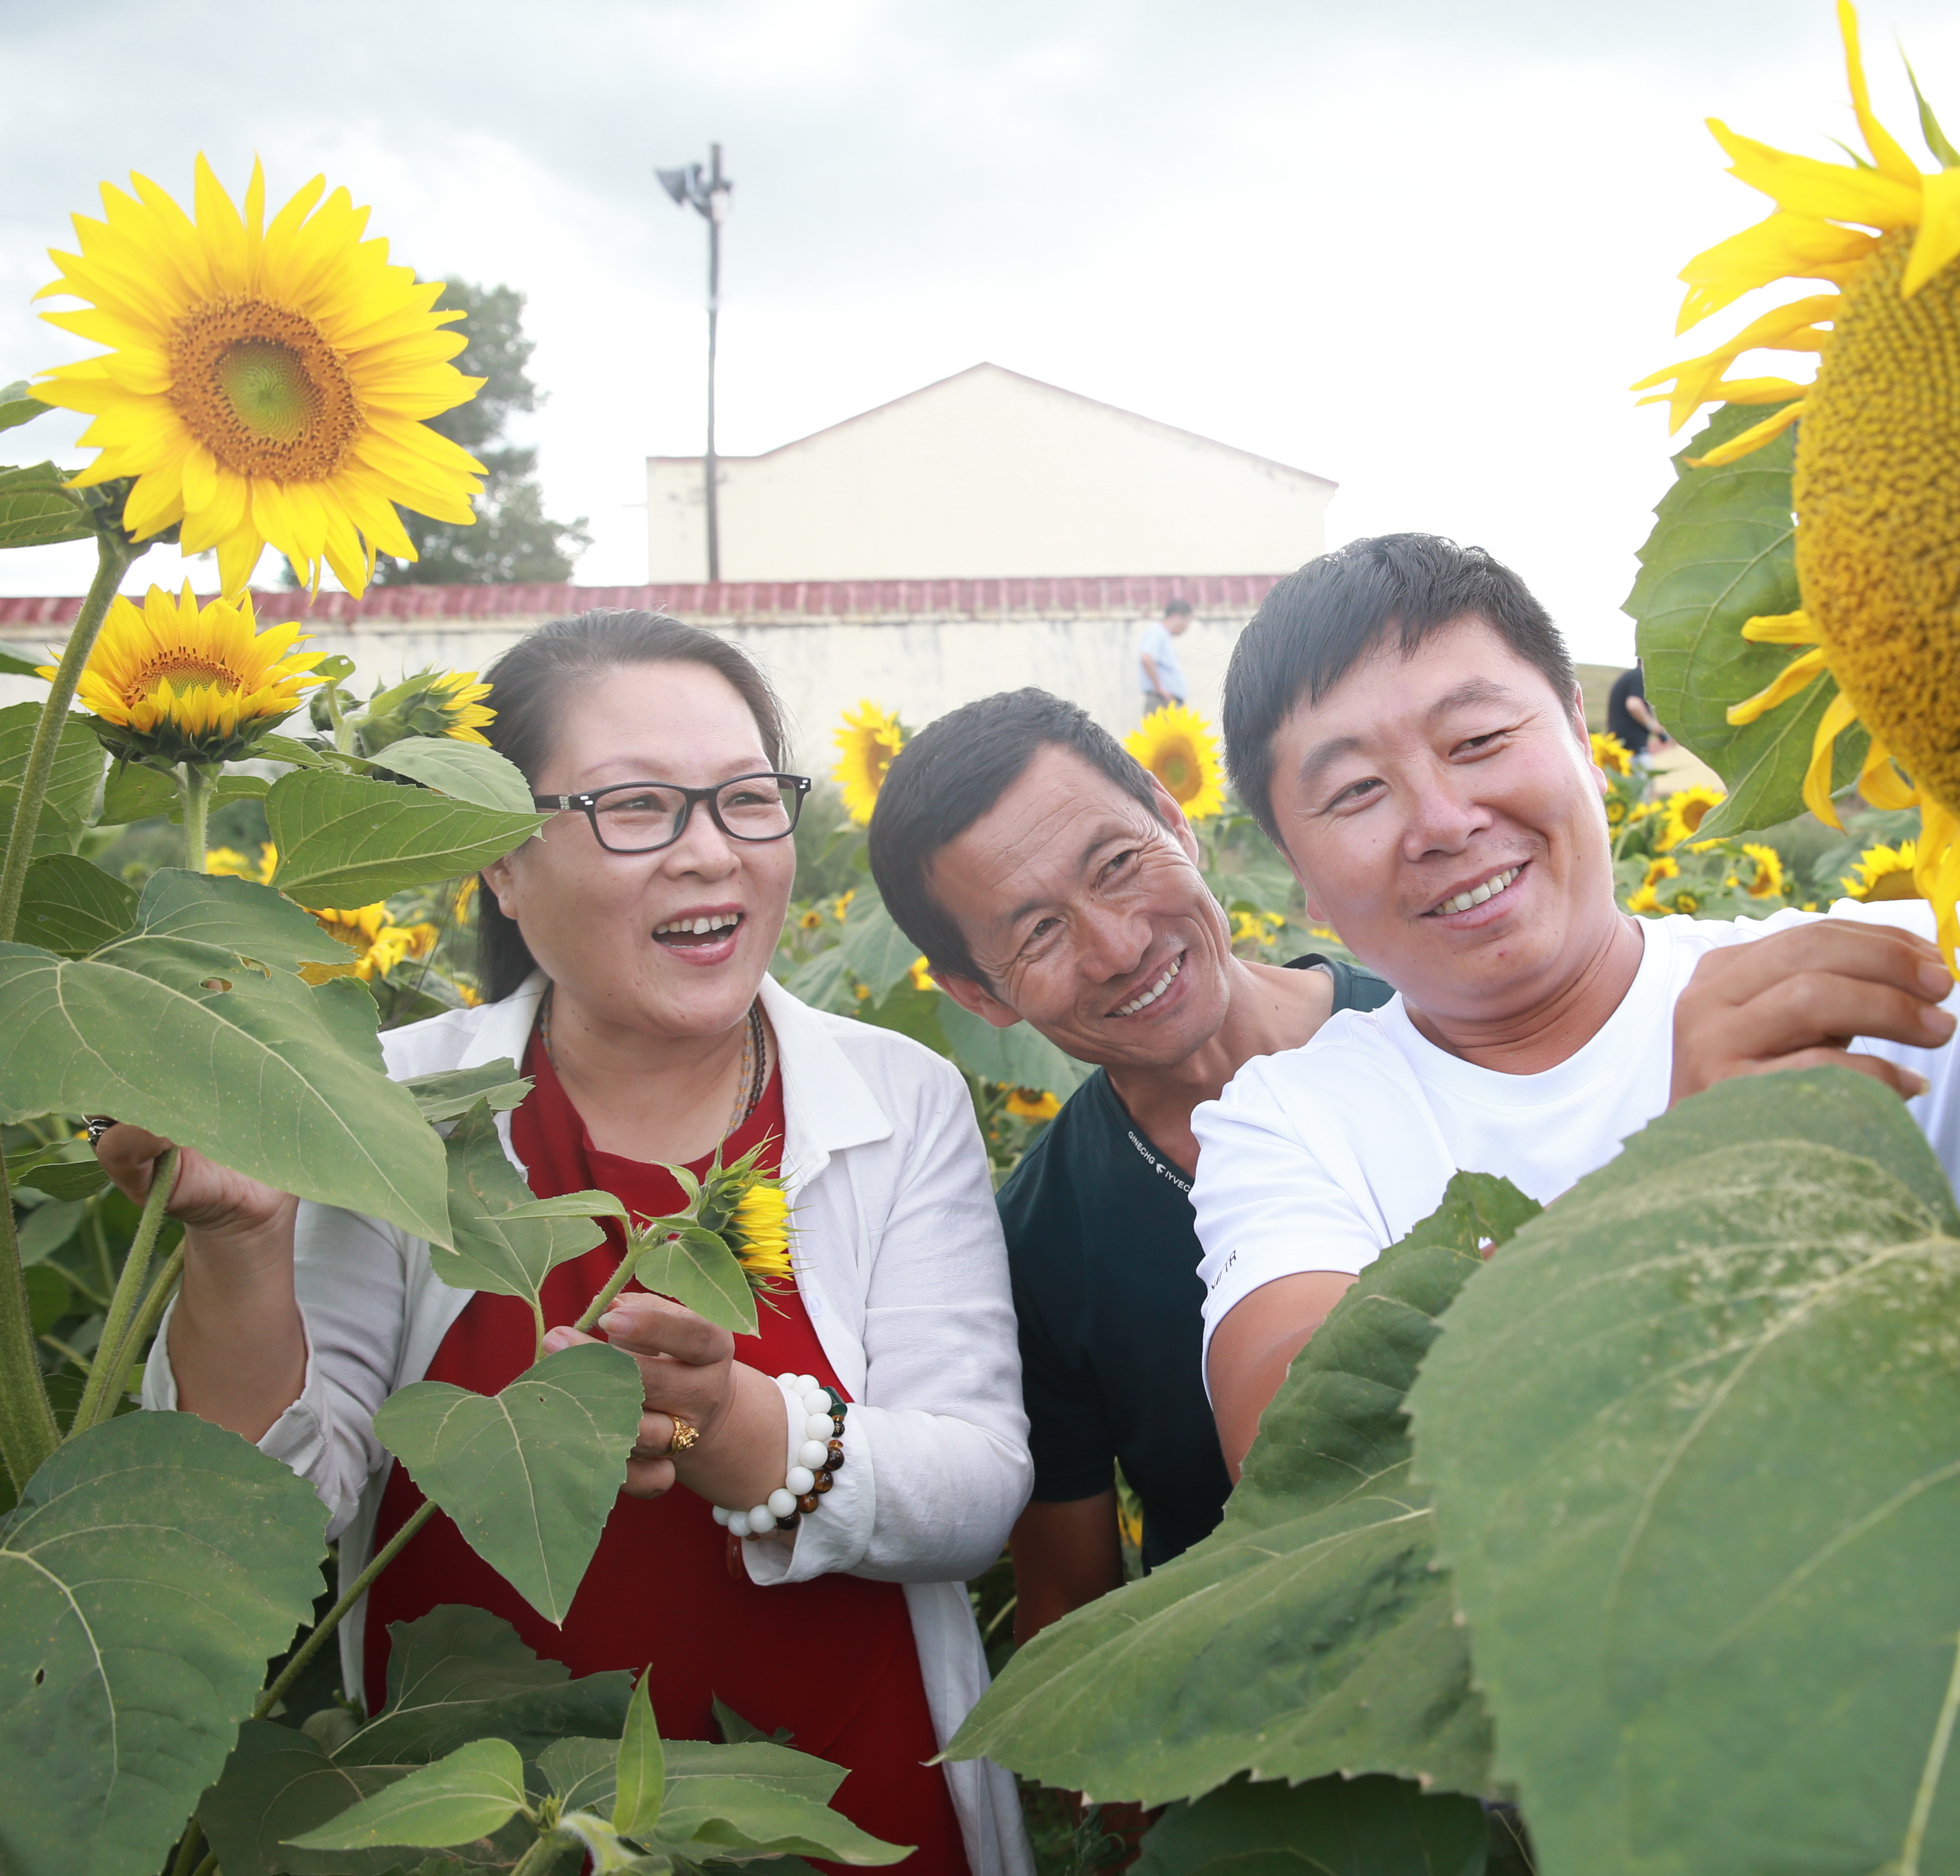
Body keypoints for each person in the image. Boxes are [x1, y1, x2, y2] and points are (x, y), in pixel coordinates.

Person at [99, 610, 1033, 1874]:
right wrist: (242, 1240)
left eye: (747, 799)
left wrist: (741, 1426)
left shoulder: (898, 1097)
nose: (710, 853)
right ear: (500, 860)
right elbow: (260, 1521)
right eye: (637, 806)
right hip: (476, 1832)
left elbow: (976, 1489)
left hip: (850, 1815)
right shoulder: (386, 1106)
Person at [1190, 535, 1960, 1472]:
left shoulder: (1862, 977)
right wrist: (1684, 1191)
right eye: (1356, 793)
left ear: (1581, 740)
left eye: (1481, 737)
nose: (1444, 820)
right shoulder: (1296, 1119)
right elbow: (1310, 1451)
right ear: (1298, 875)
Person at [864, 688, 1390, 1642]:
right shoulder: (1035, 1249)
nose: (1117, 946)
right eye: (1037, 932)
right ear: (977, 997)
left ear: (1174, 819)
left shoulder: (1443, 1028)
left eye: (1114, 864)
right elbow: (1072, 1610)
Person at [1136, 598, 1192, 718]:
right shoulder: (1157, 632)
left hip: (1168, 701)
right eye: (1187, 621)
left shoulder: (1163, 635)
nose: (1186, 627)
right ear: (1177, 617)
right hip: (1162, 701)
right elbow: (1146, 658)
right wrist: (1160, 688)